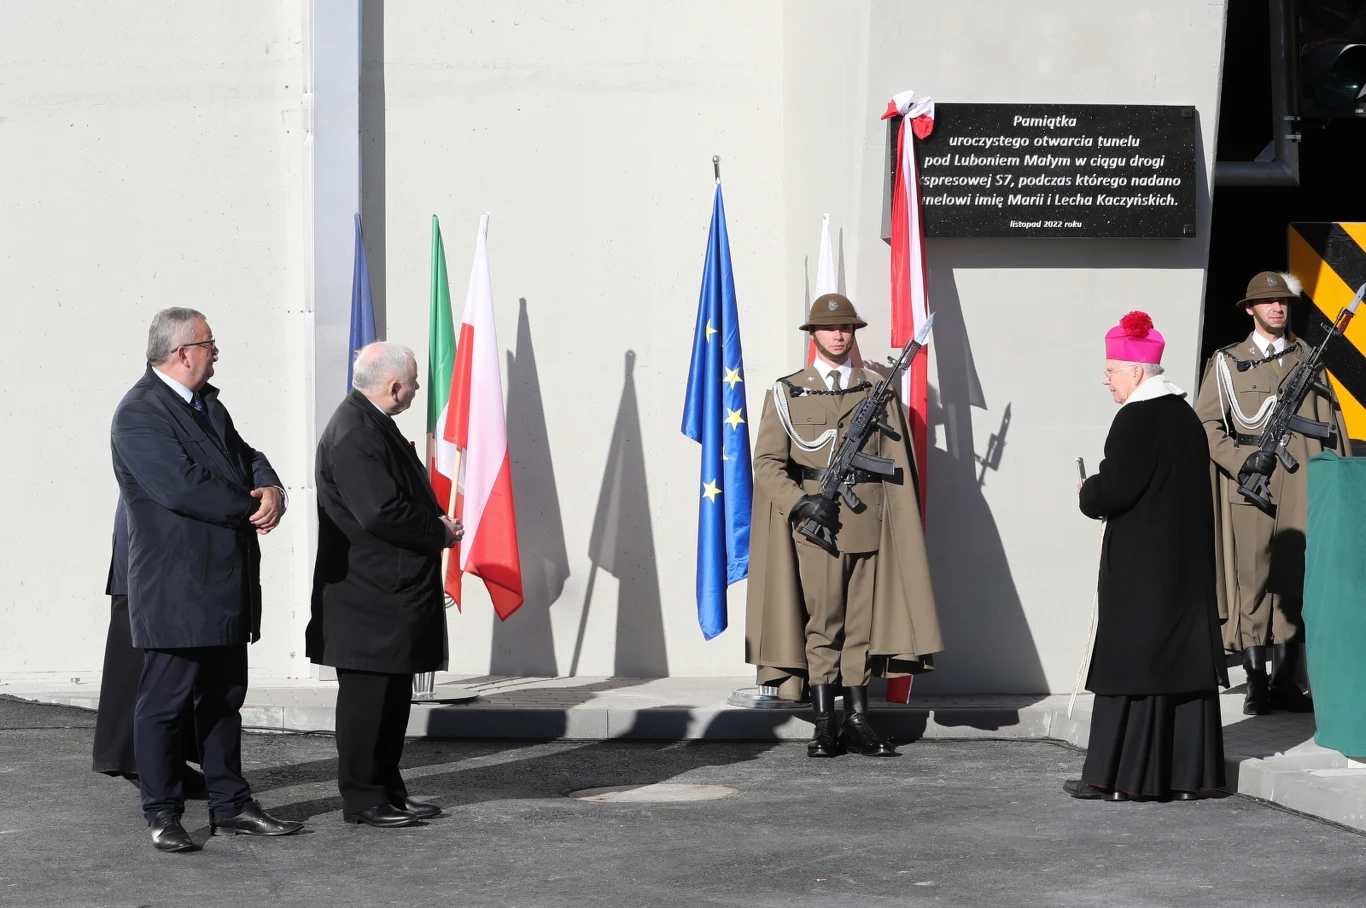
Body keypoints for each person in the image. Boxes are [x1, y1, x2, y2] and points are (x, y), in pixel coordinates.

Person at [111, 308, 303, 852]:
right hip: (176, 587)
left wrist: (271, 488)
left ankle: (231, 805)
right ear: (182, 353)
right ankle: (163, 813)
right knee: (165, 703)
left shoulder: (208, 404)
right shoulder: (139, 413)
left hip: (225, 582)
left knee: (223, 699)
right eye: (209, 343)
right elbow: (183, 487)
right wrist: (249, 506)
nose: (216, 352)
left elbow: (247, 456)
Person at [746, 292, 942, 758]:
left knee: (860, 626)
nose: (839, 335)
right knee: (824, 623)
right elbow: (768, 463)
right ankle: (824, 722)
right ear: (813, 334)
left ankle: (857, 718)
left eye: (847, 328)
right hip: (816, 526)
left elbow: (895, 464)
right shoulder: (787, 392)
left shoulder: (876, 389)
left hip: (866, 520)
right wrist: (800, 503)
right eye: (830, 328)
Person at [1068, 311, 1228, 802]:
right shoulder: (1185, 417)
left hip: (1142, 573)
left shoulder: (1135, 418)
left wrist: (1088, 490)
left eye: (1112, 370)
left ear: (1136, 371)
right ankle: (1189, 779)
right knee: (1181, 669)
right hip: (1185, 569)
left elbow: (1118, 489)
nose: (1106, 379)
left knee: (1133, 668)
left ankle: (1120, 778)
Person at [307, 343, 460, 828]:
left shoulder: (370, 422)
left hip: (385, 594)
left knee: (391, 702)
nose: (417, 389)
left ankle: (388, 789)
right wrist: (438, 531)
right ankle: (364, 798)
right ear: (394, 387)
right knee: (367, 704)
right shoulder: (355, 432)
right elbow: (381, 512)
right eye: (413, 381)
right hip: (367, 596)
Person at [1193, 271, 1350, 715]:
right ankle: (1255, 681)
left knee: (1294, 579)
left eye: (1283, 302)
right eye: (1267, 302)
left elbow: (1330, 423)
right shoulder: (1227, 362)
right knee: (1254, 581)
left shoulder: (1308, 358)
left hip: (1300, 484)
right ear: (1250, 310)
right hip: (1250, 485)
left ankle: (1286, 680)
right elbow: (1206, 423)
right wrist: (1242, 460)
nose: (1277, 308)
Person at [91, 496, 204, 793]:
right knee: (138, 663)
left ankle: (165, 762)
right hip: (147, 552)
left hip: (166, 548)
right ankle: (138, 764)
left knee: (173, 666)